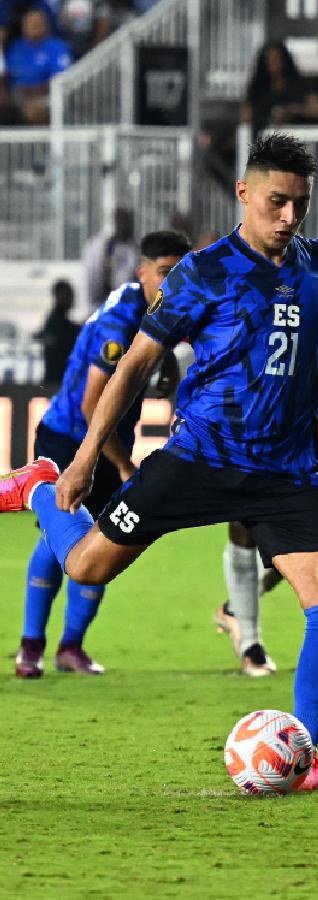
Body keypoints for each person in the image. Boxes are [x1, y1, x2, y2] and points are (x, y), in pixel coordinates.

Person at [0, 133, 318, 790]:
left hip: (286, 473)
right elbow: (139, 363)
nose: (289, 218)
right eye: (276, 202)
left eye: (300, 205)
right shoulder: (203, 273)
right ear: (244, 194)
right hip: (199, 457)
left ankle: (304, 754)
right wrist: (84, 458)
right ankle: (37, 485)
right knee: (86, 565)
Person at [14, 230, 189, 679]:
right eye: (165, 274)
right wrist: (123, 464)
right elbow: (93, 404)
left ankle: (70, 647)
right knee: (60, 540)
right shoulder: (120, 323)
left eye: (181, 273)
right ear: (142, 272)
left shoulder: (157, 306)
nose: (174, 284)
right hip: (69, 440)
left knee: (104, 541)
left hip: (109, 440)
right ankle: (31, 646)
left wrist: (166, 363)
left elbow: (155, 345)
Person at [213, 309, 318, 678]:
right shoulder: (232, 278)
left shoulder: (310, 283)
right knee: (243, 526)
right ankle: (251, 645)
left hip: (297, 435)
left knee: (315, 544)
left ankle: (238, 608)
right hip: (237, 426)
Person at [241, 41, 318, 134]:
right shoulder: (258, 88)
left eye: (276, 59)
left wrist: (292, 111)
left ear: (284, 60)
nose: (273, 64)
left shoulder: (301, 85)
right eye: (269, 60)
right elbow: (246, 118)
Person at [3, 7, 70, 124]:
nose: (33, 27)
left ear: (46, 26)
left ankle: (41, 142)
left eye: (37, 23)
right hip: (16, 95)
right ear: (23, 26)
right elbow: (6, 74)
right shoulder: (16, 47)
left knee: (34, 110)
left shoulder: (56, 47)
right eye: (29, 23)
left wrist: (34, 91)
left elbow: (60, 79)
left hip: (46, 95)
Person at [81, 207, 139, 312]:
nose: (128, 226)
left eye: (130, 223)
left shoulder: (135, 248)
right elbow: (92, 279)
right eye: (124, 222)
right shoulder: (101, 247)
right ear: (116, 222)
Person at [36, 280, 80, 389]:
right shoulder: (57, 324)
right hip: (57, 383)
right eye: (68, 295)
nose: (71, 299)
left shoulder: (57, 322)